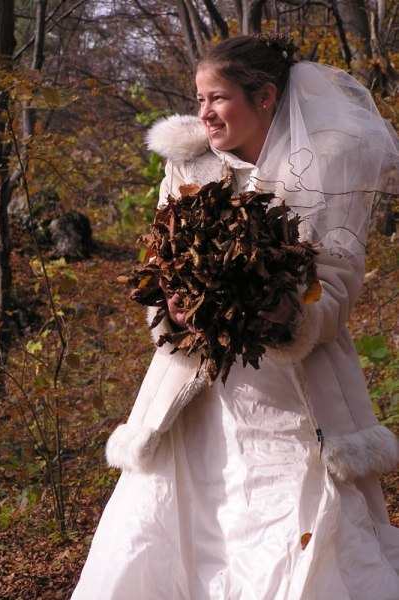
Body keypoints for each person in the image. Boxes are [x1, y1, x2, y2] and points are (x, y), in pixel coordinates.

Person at [72, 34, 399, 600]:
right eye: (199, 98)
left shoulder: (327, 168)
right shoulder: (186, 168)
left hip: (296, 402)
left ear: (265, 96)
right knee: (183, 539)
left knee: (298, 540)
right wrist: (171, 311)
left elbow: (340, 284)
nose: (204, 112)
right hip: (195, 401)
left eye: (218, 98)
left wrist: (291, 312)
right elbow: (159, 265)